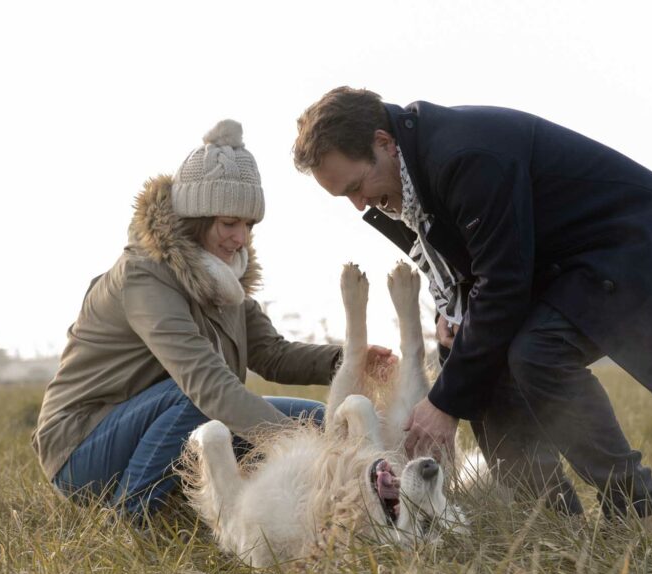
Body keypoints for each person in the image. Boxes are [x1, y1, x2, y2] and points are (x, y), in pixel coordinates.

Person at [292, 88, 652, 534]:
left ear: (384, 142)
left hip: (638, 248)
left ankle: (640, 513)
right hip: (562, 268)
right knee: (475, 356)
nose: (360, 204)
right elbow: (479, 268)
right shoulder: (408, 175)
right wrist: (456, 311)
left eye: (356, 186)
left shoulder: (464, 157)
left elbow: (502, 285)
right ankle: (551, 523)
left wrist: (445, 402)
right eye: (345, 196)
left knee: (539, 351)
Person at [32, 119, 394, 522]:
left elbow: (269, 353)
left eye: (248, 225)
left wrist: (347, 358)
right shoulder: (142, 276)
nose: (241, 238)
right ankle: (130, 516)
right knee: (207, 399)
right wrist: (299, 450)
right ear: (196, 218)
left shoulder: (224, 276)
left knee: (314, 419)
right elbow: (205, 385)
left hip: (167, 420)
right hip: (83, 447)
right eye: (229, 223)